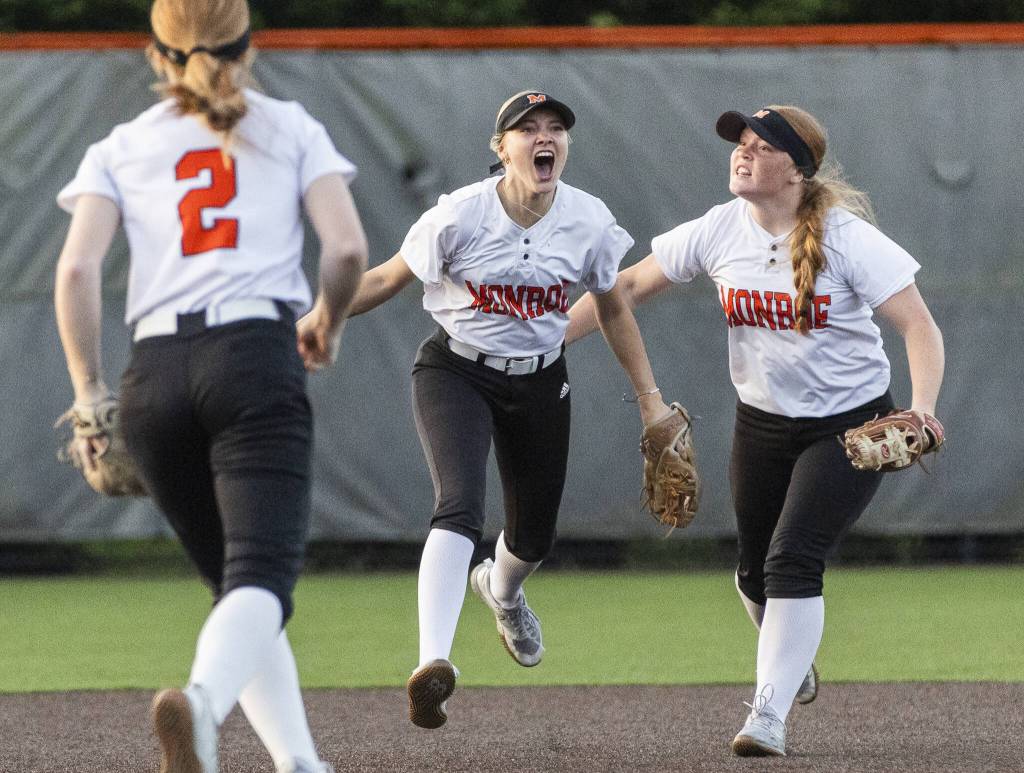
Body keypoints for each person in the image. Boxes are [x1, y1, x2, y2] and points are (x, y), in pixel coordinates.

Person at [567, 105, 944, 757]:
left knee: (792, 556)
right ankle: (789, 661)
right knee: (751, 574)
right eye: (739, 143)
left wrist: (923, 409)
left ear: (796, 169)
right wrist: (544, 339)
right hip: (764, 421)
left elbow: (919, 325)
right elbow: (625, 284)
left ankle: (768, 712)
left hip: (851, 423)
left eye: (761, 146)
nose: (742, 153)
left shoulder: (844, 238)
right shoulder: (721, 228)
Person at [53, 1, 368, 771]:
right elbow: (348, 247)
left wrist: (91, 393)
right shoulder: (288, 125)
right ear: (248, 45)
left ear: (156, 54)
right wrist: (327, 316)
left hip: (152, 375)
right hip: (253, 357)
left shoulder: (122, 144)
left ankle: (300, 762)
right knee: (261, 580)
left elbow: (76, 269)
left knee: (240, 590)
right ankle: (201, 703)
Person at [337, 89, 671, 729]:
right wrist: (316, 320)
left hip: (541, 380)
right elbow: (383, 279)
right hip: (455, 369)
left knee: (533, 535)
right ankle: (431, 664)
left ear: (564, 147)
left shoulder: (589, 220)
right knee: (458, 506)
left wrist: (651, 401)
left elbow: (611, 306)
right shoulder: (460, 215)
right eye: (527, 129)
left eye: (556, 129)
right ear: (502, 149)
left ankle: (503, 589)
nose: (544, 137)